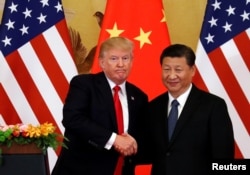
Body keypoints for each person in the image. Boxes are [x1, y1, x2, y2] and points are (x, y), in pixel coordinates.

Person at [52, 37, 148, 175]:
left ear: (132, 62)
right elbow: (72, 118)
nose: (121, 64)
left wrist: (134, 143)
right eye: (114, 59)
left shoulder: (139, 96)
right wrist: (114, 139)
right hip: (80, 170)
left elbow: (141, 135)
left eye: (125, 58)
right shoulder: (84, 84)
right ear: (102, 62)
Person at [141, 44, 234, 175]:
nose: (172, 76)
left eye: (178, 70)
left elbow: (223, 157)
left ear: (192, 70)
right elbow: (149, 152)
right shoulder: (153, 107)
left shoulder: (213, 106)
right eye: (166, 69)